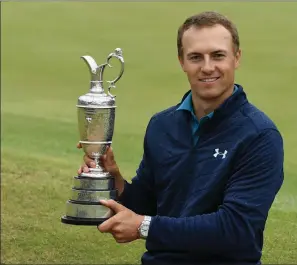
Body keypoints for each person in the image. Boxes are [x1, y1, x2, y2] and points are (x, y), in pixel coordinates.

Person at [78, 11, 284, 265]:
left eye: (218, 55)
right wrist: (114, 178)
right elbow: (148, 205)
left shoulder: (260, 135)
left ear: (236, 58)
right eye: (196, 57)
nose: (207, 67)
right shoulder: (162, 125)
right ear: (181, 61)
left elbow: (236, 228)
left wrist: (144, 227)